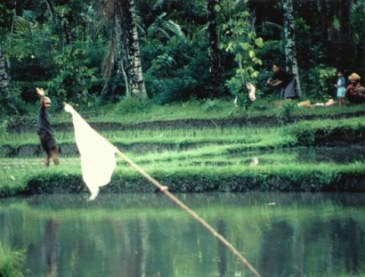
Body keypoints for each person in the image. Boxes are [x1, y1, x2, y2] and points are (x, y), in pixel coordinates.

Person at [36, 87, 59, 167]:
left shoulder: (44, 114)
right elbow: (42, 105)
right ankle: (58, 169)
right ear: (42, 104)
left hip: (41, 136)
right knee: (54, 151)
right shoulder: (42, 111)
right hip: (47, 135)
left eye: (49, 103)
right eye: (46, 103)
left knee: (48, 154)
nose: (48, 105)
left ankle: (46, 169)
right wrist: (42, 96)